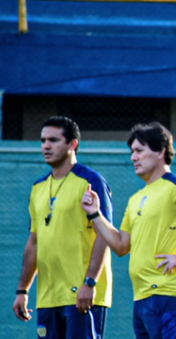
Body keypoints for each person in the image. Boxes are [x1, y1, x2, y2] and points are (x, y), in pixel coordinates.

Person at [81, 122, 176, 339]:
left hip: (170, 294)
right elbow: (120, 246)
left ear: (160, 152)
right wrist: (95, 214)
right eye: (132, 152)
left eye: (139, 151)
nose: (133, 158)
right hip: (141, 298)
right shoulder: (136, 198)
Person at [12, 116, 113, 339]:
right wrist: (23, 290)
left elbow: (105, 235)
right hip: (48, 297)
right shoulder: (38, 187)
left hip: (81, 296)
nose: (46, 146)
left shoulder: (90, 181)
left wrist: (90, 282)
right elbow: (34, 242)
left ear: (72, 144)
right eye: (43, 140)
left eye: (54, 140)